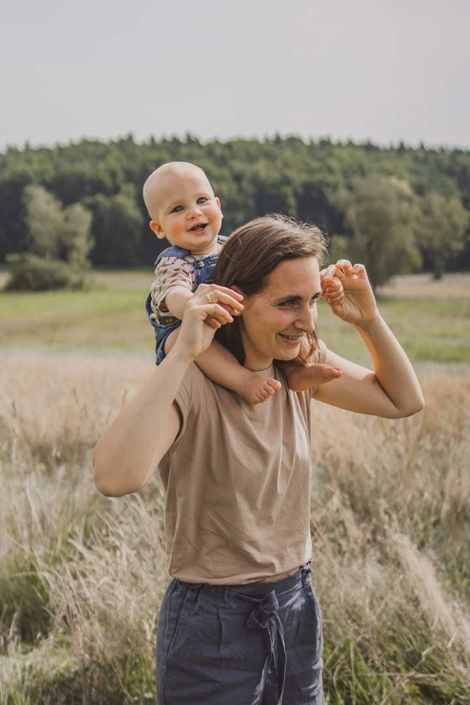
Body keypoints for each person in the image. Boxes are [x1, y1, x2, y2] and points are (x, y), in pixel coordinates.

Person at [93, 214, 424, 704]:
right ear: (236, 300)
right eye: (289, 302)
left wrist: (369, 321)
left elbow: (402, 401)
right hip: (213, 622)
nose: (308, 319)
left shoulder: (298, 363)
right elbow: (114, 477)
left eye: (311, 300)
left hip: (295, 602)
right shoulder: (194, 381)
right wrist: (182, 354)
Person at [143, 161, 343, 404]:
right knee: (180, 340)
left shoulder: (233, 246)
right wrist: (193, 306)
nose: (194, 212)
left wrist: (320, 281)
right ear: (158, 228)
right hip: (191, 332)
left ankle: (293, 370)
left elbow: (277, 278)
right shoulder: (174, 263)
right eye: (177, 209)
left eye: (202, 200)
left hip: (226, 326)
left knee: (275, 320)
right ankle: (242, 381)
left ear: (218, 206)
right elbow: (174, 292)